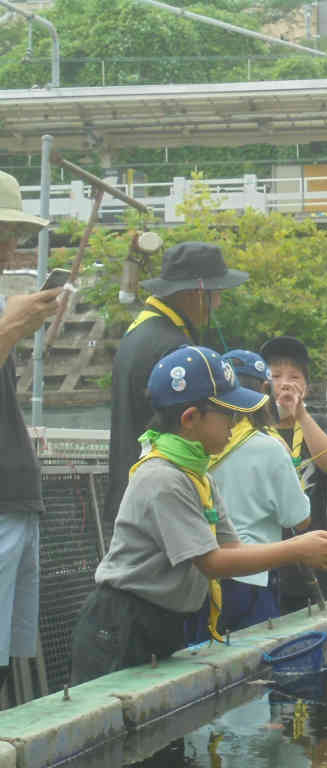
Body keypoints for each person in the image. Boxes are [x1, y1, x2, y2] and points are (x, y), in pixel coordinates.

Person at [71, 345, 327, 684]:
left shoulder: (197, 472)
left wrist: (319, 543)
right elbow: (212, 562)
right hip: (124, 623)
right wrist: (298, 550)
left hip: (164, 619)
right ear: (190, 419)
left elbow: (230, 547)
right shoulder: (163, 478)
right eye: (227, 414)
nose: (235, 424)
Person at [106, 241, 248, 523]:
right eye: (216, 293)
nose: (217, 304)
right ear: (198, 293)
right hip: (161, 500)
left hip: (132, 490)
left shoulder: (142, 329)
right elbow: (188, 433)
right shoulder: (173, 350)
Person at [183, 349, 311, 642]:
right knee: (256, 669)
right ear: (264, 391)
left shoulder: (194, 444)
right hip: (253, 578)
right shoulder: (269, 447)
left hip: (198, 580)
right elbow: (299, 520)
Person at [0, 170, 63, 694]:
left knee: (5, 661)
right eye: (4, 235)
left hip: (16, 502)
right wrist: (9, 329)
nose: (9, 250)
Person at [259, 335, 327, 613]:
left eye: (294, 377)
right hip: (270, 557)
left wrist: (301, 415)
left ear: (305, 387)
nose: (284, 382)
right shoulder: (254, 429)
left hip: (317, 553)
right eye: (276, 375)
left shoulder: (318, 423)